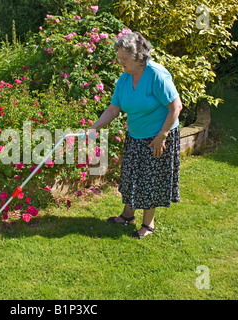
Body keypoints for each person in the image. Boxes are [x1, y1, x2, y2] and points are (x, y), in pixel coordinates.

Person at [86, 32, 182, 239]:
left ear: (138, 57)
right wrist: (93, 128)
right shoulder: (124, 78)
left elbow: (176, 106)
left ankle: (148, 224)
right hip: (136, 135)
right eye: (119, 58)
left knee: (150, 180)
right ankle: (128, 216)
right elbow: (113, 110)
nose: (120, 62)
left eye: (124, 59)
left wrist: (162, 136)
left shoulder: (156, 74)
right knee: (131, 176)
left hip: (159, 136)